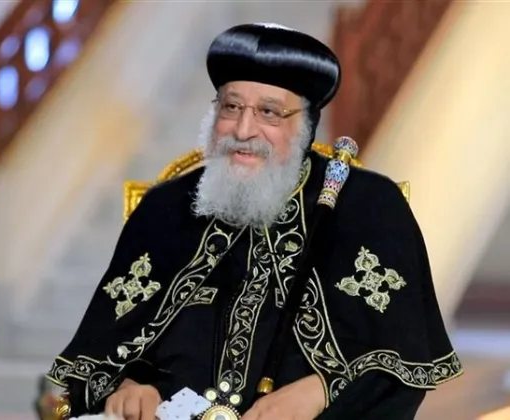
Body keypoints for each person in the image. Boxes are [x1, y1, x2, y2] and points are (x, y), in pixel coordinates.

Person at [46, 23, 462, 420]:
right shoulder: (164, 209)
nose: (244, 130)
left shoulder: (366, 206)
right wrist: (129, 385)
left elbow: (402, 364)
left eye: (269, 112)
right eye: (231, 107)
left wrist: (318, 391)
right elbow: (95, 355)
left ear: (306, 125)